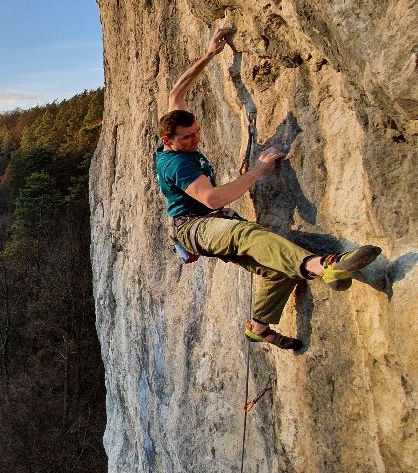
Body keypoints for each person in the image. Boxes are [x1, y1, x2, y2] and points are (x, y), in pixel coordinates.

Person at [155, 26, 381, 350]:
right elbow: (212, 197)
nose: (196, 139)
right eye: (188, 137)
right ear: (168, 141)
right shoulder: (178, 164)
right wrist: (259, 169)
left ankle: (259, 326)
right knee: (248, 236)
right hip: (194, 228)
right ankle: (323, 266)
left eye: (197, 132)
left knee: (278, 267)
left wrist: (210, 54)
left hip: (211, 222)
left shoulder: (172, 136)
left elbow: (177, 91)